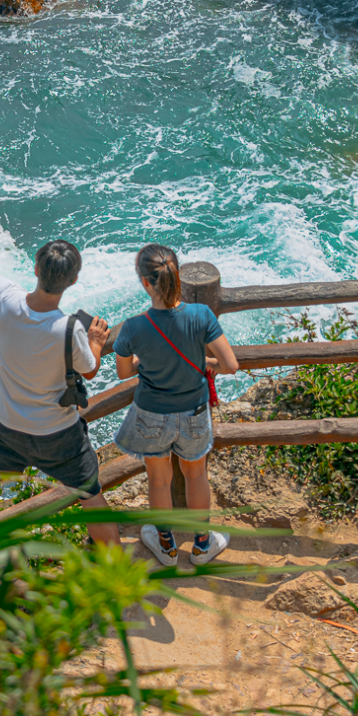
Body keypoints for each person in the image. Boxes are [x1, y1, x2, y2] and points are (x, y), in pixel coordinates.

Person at [0, 237, 120, 547]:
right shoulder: (69, 329)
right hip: (59, 433)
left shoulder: (7, 299)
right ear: (72, 280)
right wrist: (97, 340)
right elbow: (89, 368)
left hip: (8, 429)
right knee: (91, 497)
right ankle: (115, 572)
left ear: (35, 268)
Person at [112, 243, 239, 567]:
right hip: (194, 412)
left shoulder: (134, 327)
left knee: (158, 479)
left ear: (145, 282)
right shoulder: (201, 315)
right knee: (196, 475)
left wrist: (146, 359)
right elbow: (231, 365)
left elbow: (125, 372)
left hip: (152, 413)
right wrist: (207, 362)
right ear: (177, 276)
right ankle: (202, 545)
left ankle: (166, 547)